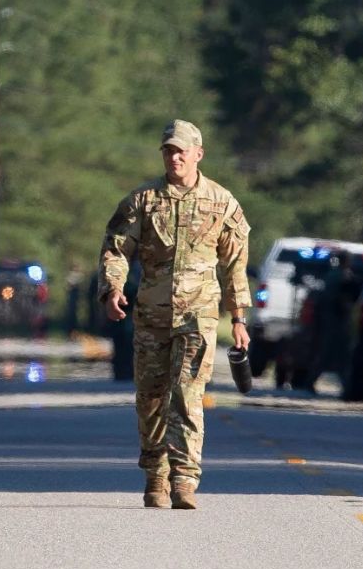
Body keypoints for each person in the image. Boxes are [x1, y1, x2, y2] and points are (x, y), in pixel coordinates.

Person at [98, 119, 252, 509]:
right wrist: (113, 288)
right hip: (151, 315)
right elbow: (116, 249)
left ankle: (184, 478)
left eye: (182, 150)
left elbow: (235, 264)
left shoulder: (222, 202)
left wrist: (238, 318)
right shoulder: (142, 201)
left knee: (187, 394)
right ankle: (156, 475)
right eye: (169, 150)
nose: (175, 156)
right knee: (150, 397)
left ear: (198, 154)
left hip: (198, 316)